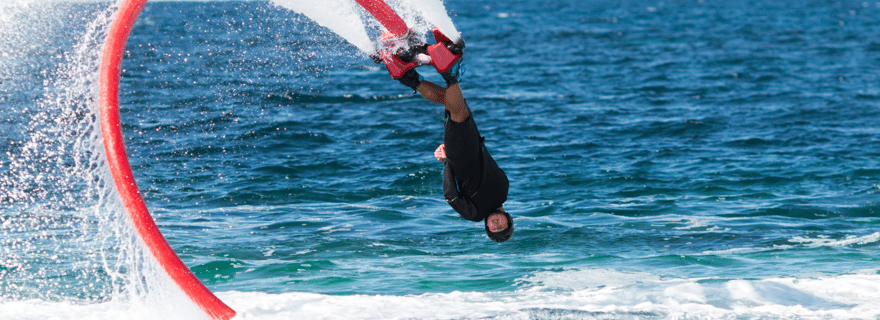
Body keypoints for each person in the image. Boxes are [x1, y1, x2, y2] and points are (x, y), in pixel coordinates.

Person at [392, 53, 513, 242]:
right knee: (454, 104)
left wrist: (447, 161)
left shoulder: (474, 214)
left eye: (493, 228)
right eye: (501, 225)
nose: (496, 224)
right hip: (475, 142)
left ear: (487, 227)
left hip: (460, 158)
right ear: (508, 220)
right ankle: (407, 77)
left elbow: (451, 195)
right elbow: (489, 162)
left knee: (459, 110)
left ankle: (449, 73)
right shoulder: (504, 190)